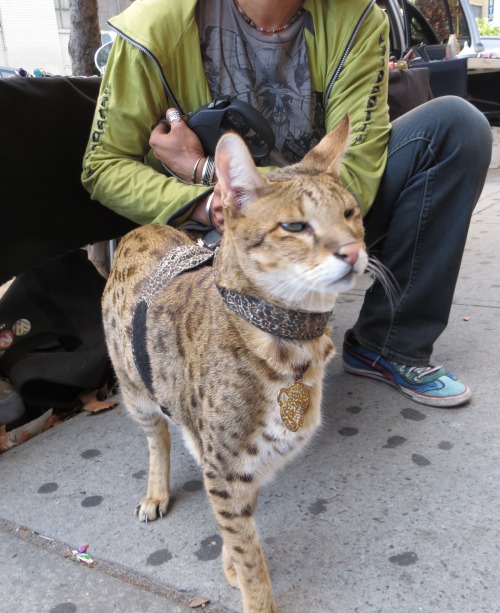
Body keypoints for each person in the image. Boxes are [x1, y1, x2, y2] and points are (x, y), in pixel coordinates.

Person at [81, 0, 492, 408]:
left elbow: (358, 166)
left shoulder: (358, 17)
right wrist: (205, 199)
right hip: (213, 234)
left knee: (456, 126)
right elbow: (103, 165)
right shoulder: (151, 27)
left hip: (318, 213)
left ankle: (389, 342)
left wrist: (205, 168)